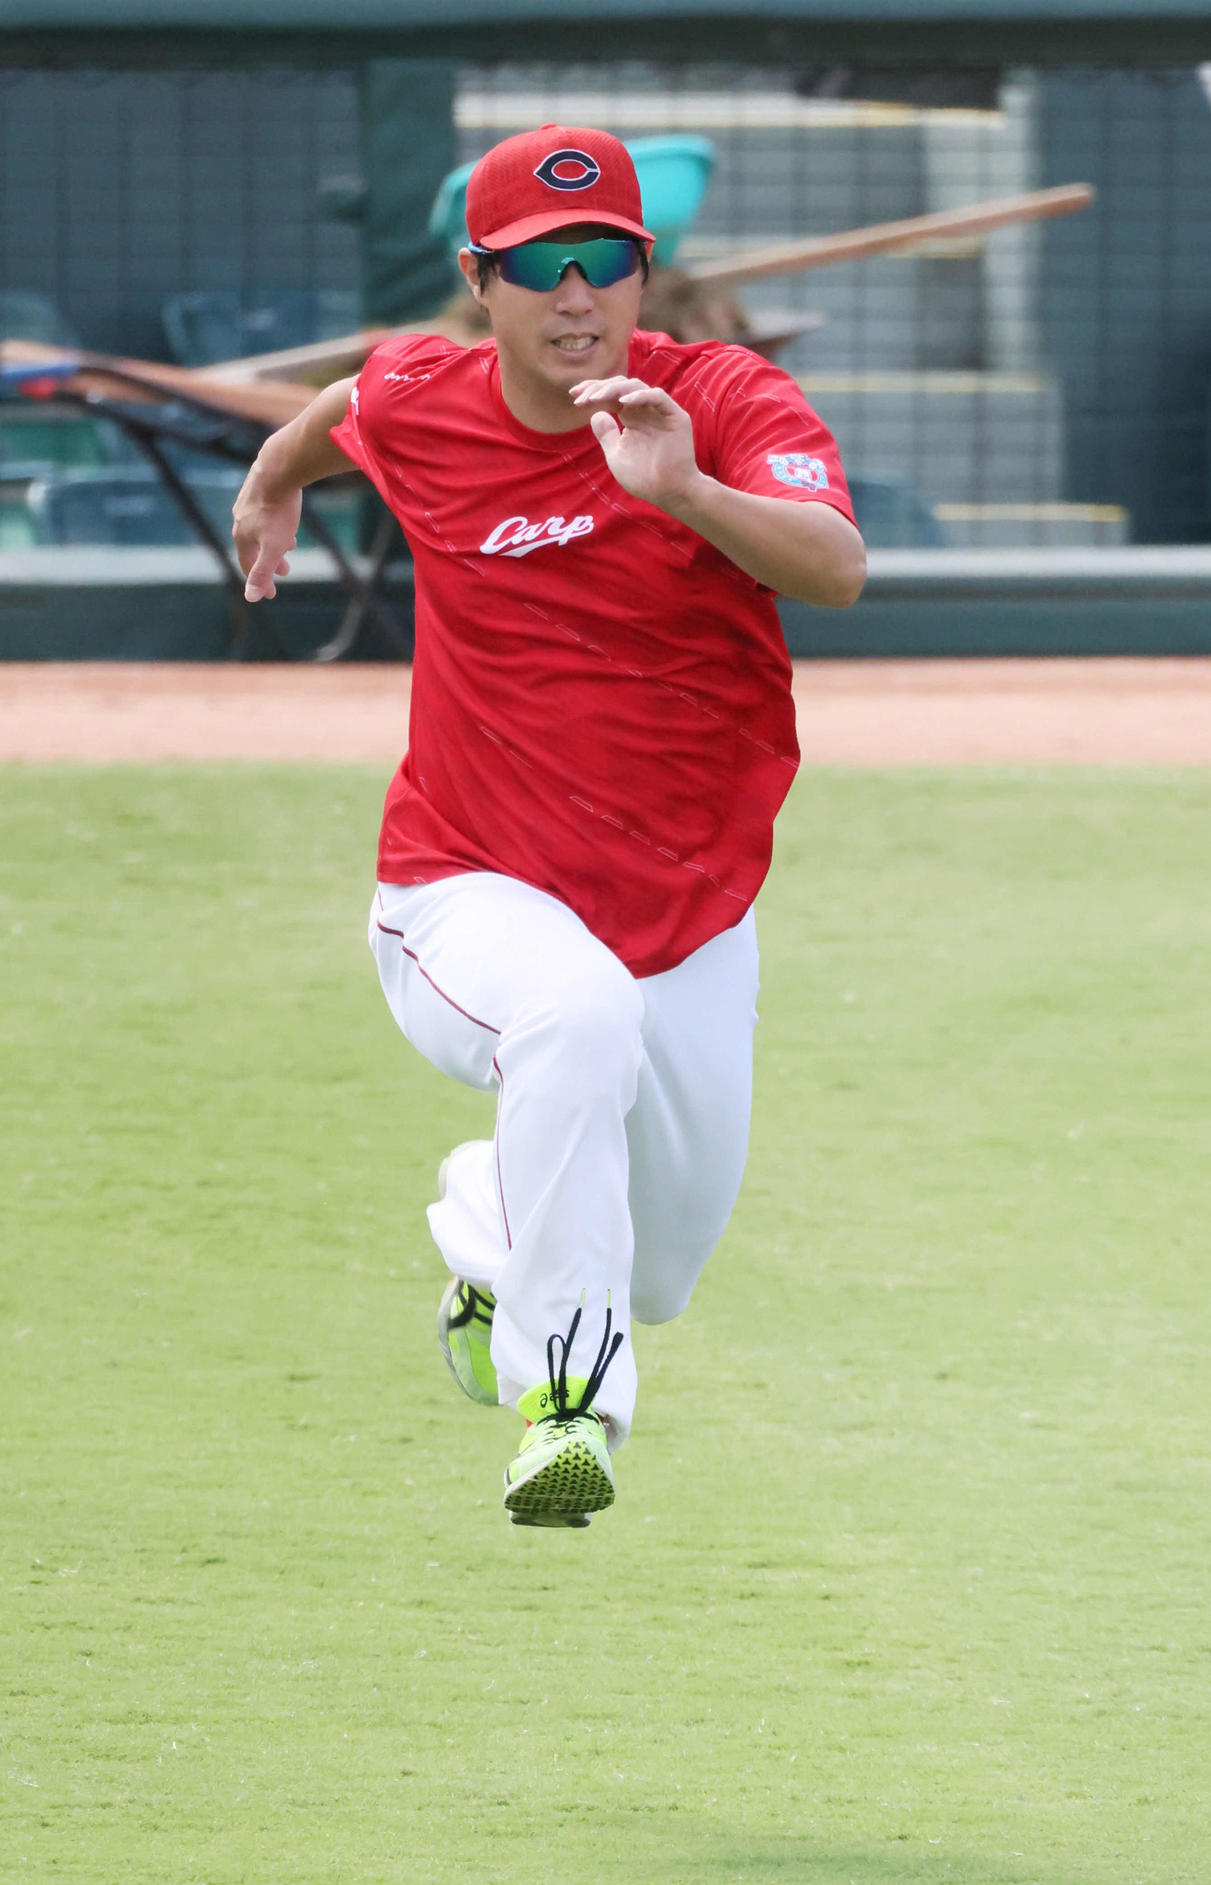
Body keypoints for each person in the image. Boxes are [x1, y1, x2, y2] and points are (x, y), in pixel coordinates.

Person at [232, 124, 865, 1530]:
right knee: (573, 1022)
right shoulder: (425, 396)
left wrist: (691, 493)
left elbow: (838, 569)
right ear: (481, 280)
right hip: (466, 889)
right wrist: (273, 483)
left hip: (688, 905)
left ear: (645, 273)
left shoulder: (726, 399)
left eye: (606, 263)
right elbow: (343, 410)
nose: (576, 294)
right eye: (539, 266)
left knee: (659, 1262)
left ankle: (488, 1236)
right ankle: (569, 1410)